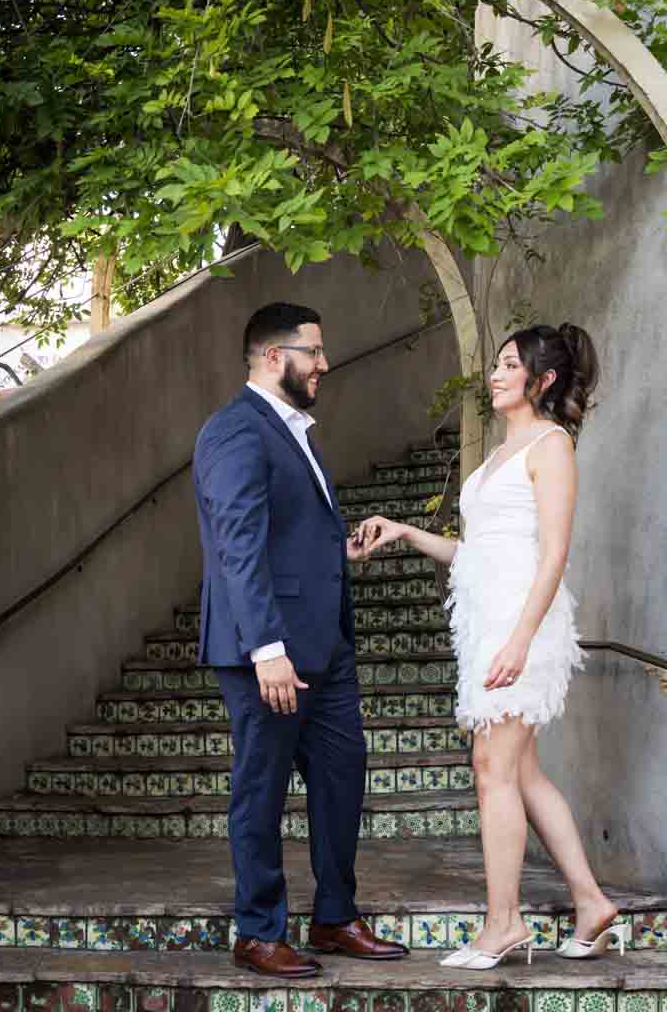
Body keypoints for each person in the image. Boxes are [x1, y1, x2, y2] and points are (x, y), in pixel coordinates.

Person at [357, 323, 627, 970]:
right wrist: (404, 531)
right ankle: (590, 902)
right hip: (488, 623)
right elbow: (475, 555)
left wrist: (520, 640)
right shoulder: (501, 455)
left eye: (511, 365)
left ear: (545, 379)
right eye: (499, 364)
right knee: (522, 773)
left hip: (521, 625)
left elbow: (554, 553)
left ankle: (503, 924)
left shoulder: (552, 445)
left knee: (493, 770)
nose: (497, 374)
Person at [194, 302, 409, 978]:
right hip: (272, 653)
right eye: (312, 351)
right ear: (271, 357)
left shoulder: (297, 433)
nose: (324, 363)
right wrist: (266, 649)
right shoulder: (235, 431)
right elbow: (238, 545)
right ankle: (259, 932)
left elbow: (284, 534)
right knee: (261, 790)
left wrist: (334, 550)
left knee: (343, 779)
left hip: (326, 646)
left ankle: (335, 917)